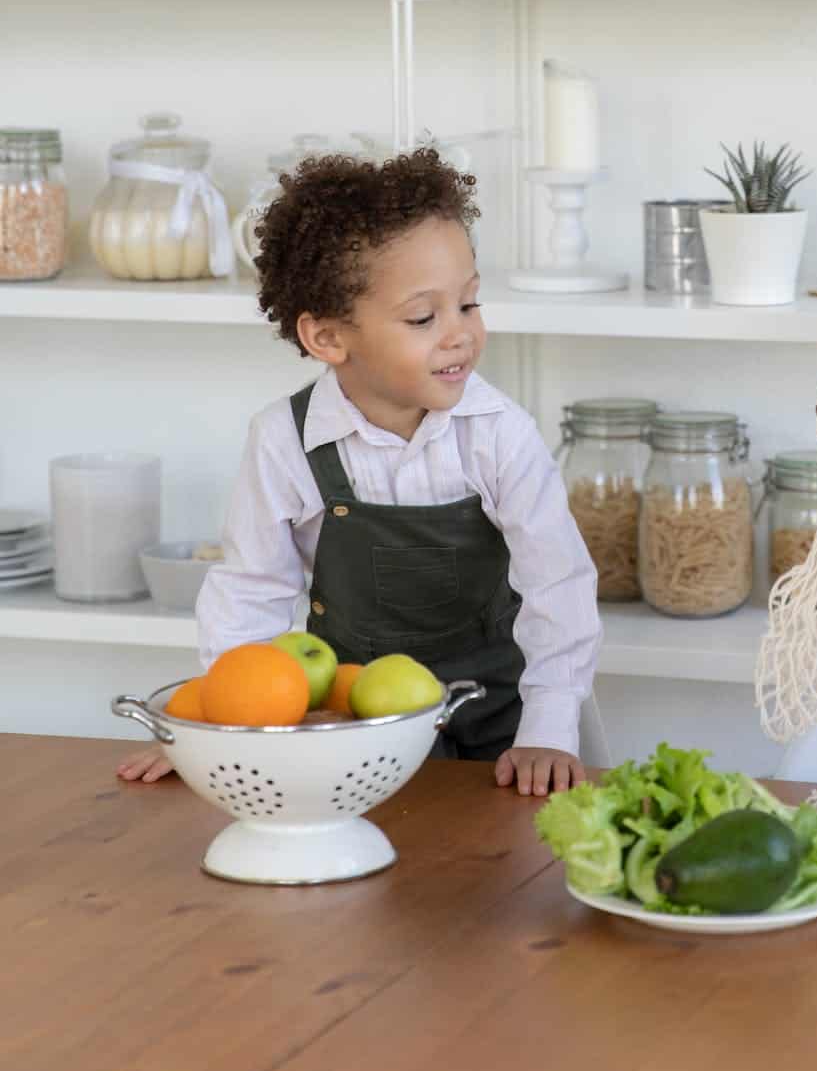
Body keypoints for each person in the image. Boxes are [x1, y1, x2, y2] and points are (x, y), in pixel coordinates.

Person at [118, 149, 600, 797]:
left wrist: (548, 729)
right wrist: (216, 729)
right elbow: (250, 591)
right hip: (355, 730)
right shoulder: (282, 440)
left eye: (469, 303)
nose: (459, 334)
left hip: (505, 726)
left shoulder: (498, 434)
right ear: (327, 339)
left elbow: (557, 585)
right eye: (424, 318)